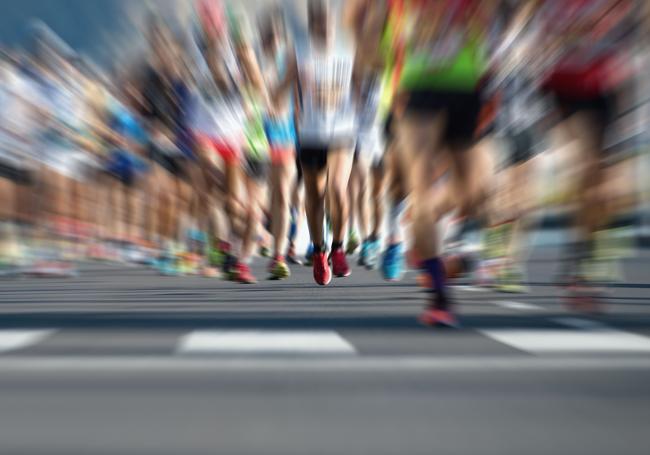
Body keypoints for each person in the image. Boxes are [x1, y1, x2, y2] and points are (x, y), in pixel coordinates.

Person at [273, 0, 357, 285]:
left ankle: (339, 246)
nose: (324, 27)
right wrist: (273, 100)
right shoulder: (301, 54)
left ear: (334, 23)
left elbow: (365, 84)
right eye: (318, 21)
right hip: (310, 134)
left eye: (328, 21)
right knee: (315, 195)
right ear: (312, 25)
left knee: (337, 188)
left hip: (343, 132)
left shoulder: (349, 51)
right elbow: (282, 88)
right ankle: (320, 252)